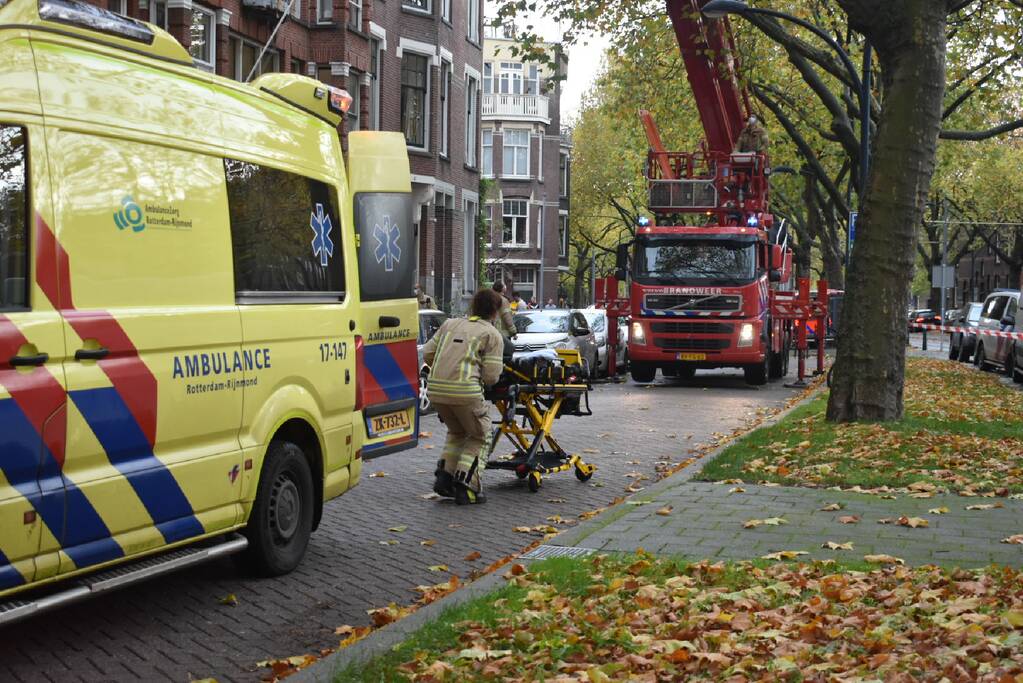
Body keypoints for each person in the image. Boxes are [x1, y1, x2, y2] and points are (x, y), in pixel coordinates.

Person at [420, 289, 505, 505]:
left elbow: (428, 353)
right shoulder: (492, 334)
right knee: (480, 435)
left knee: (457, 432)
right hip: (466, 392)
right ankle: (466, 487)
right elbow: (491, 376)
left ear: (473, 306)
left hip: (436, 391)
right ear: (495, 312)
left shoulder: (450, 324)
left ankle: (445, 477)